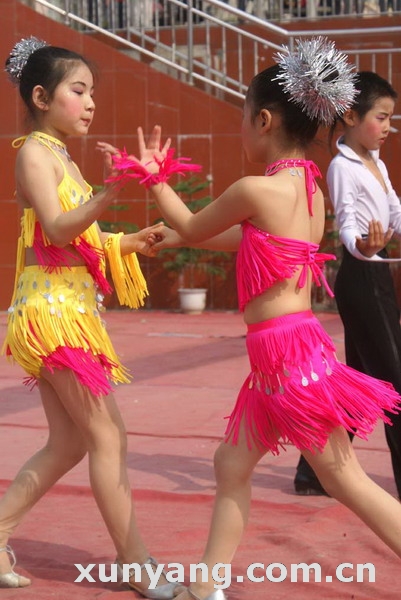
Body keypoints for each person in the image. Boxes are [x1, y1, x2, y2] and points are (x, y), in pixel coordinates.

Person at [107, 38, 401, 600]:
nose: (241, 128)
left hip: (288, 361)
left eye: (242, 117)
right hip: (280, 361)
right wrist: (173, 236)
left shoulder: (257, 188)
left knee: (345, 479)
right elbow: (246, 240)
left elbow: (195, 226)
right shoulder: (306, 188)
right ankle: (206, 585)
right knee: (231, 464)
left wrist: (155, 179)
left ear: (263, 120)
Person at [0, 36, 183, 598]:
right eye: (78, 91)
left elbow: (82, 242)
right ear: (40, 97)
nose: (90, 103)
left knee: (70, 443)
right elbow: (58, 231)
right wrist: (111, 191)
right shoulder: (34, 153)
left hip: (67, 312)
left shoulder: (61, 157)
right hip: (52, 316)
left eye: (92, 92)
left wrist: (130, 242)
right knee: (109, 437)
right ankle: (135, 561)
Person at [294, 71, 401, 499]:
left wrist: (377, 245)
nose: (388, 127)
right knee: (395, 383)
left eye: (391, 118)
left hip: (377, 274)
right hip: (361, 276)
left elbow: (394, 213)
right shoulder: (342, 166)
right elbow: (348, 227)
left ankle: (314, 472)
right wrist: (363, 246)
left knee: (359, 380)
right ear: (352, 116)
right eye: (381, 117)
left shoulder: (377, 163)